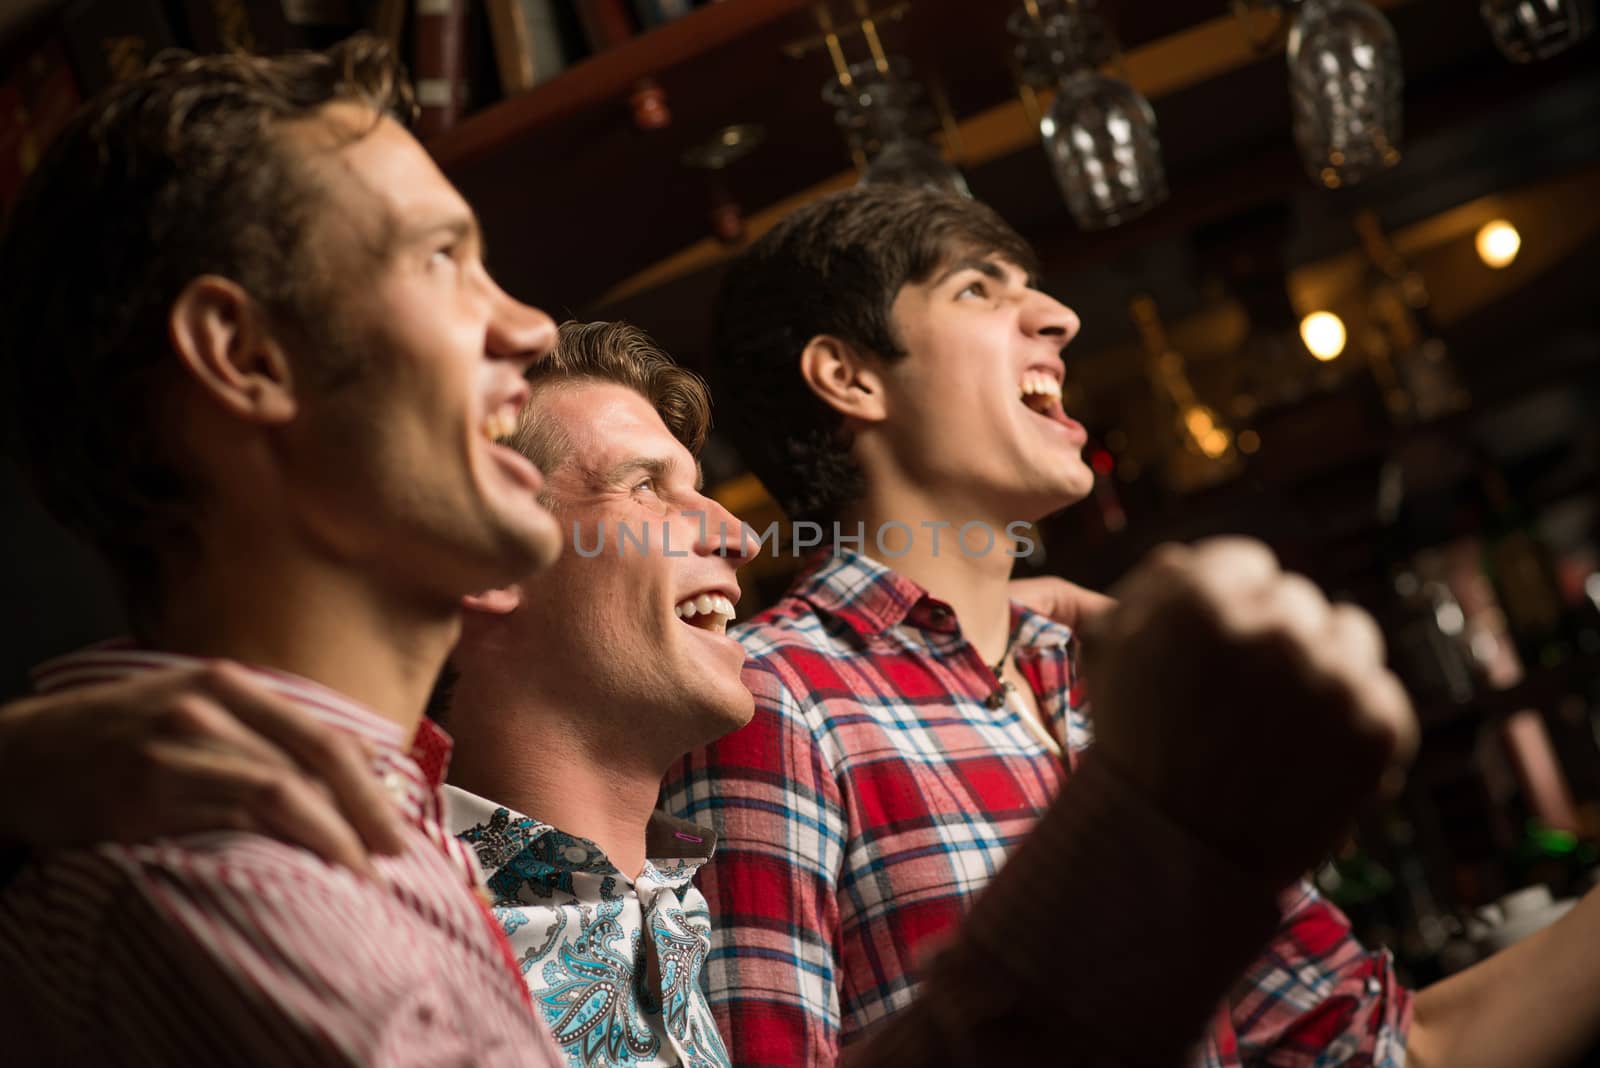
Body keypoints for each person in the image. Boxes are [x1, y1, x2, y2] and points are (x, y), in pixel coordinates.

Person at [0, 316, 1418, 1066]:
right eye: (651, 489)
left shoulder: (739, 906)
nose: (734, 533)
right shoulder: (380, 891)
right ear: (492, 555)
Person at [661, 182, 1600, 1068]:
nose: (1060, 319)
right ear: (848, 375)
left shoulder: (1115, 685)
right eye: (978, 288)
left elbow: (1387, 1048)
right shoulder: (768, 700)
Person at [0, 38, 570, 1064]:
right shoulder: (221, 871)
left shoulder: (380, 819)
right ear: (244, 355)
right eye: (441, 259)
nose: (531, 327)